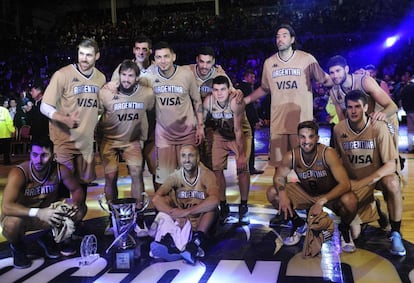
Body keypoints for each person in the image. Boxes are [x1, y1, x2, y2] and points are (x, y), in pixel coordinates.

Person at [244, 24, 332, 171]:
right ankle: (281, 195)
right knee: (280, 169)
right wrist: (246, 100)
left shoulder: (307, 59)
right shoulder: (269, 63)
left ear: (292, 39)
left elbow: (325, 79)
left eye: (284, 35)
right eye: (277, 36)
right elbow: (265, 88)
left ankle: (306, 195)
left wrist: (345, 79)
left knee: (306, 168)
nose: (280, 39)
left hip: (302, 124)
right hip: (279, 125)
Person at [333, 90, 405, 256]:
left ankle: (395, 233)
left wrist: (365, 182)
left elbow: (390, 165)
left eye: (357, 106)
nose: (353, 111)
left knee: (392, 183)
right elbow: (336, 160)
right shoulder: (338, 129)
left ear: (366, 107)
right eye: (350, 107)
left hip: (376, 177)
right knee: (356, 234)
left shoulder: (379, 127)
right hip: (354, 180)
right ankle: (375, 210)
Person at [267, 120, 358, 252]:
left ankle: (344, 228)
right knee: (272, 192)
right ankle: (298, 223)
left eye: (310, 136)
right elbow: (279, 177)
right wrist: (282, 194)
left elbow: (345, 184)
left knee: (350, 200)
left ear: (317, 138)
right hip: (306, 193)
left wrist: (321, 201)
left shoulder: (328, 153)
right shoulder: (291, 155)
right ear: (298, 139)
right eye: (302, 137)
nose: (306, 141)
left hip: (329, 195)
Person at [0, 138, 87, 268]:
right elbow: (6, 207)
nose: (38, 160)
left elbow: (77, 190)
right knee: (12, 223)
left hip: (48, 215)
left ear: (53, 155)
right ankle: (17, 246)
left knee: (80, 209)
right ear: (30, 154)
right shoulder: (19, 173)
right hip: (24, 217)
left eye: (44, 155)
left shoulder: (60, 169)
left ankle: (50, 237)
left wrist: (75, 202)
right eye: (34, 155)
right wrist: (38, 213)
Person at [41, 38, 106, 192]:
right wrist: (64, 119)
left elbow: (98, 109)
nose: (84, 58)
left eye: (89, 55)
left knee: (82, 189)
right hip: (64, 141)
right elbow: (44, 106)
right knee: (65, 187)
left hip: (86, 142)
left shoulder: (101, 78)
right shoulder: (62, 74)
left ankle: (77, 217)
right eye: (81, 54)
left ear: (97, 56)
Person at [98, 59, 154, 207]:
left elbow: (154, 112)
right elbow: (93, 114)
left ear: (137, 78)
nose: (126, 79)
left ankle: (138, 214)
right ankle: (113, 215)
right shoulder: (106, 92)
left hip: (131, 141)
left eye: (130, 76)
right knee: (110, 176)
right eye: (123, 75)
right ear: (119, 75)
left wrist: (146, 135)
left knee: (137, 173)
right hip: (109, 140)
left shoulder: (147, 94)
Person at [150, 144, 219, 264]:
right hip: (183, 221)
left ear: (197, 158)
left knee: (212, 209)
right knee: (165, 200)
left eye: (190, 156)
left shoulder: (207, 175)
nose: (187, 160)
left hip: (202, 223)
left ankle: (195, 243)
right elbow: (156, 199)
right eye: (183, 156)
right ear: (180, 159)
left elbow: (215, 200)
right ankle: (173, 242)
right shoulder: (175, 177)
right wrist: (174, 214)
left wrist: (187, 212)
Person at [152, 41, 204, 187]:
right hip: (164, 135)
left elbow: (197, 101)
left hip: (187, 133)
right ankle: (166, 209)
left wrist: (200, 126)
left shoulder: (186, 74)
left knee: (189, 176)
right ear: (154, 59)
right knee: (164, 179)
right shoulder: (149, 76)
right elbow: (127, 77)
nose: (163, 61)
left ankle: (191, 207)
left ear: (173, 57)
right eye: (159, 57)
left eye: (166, 56)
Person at [110, 35, 158, 190]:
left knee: (157, 171)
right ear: (133, 50)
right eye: (138, 49)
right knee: (135, 172)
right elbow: (112, 94)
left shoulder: (158, 69)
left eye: (144, 49)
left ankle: (162, 210)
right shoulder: (122, 69)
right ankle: (138, 209)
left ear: (150, 51)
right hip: (131, 130)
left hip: (153, 128)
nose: (141, 52)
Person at [203, 75, 252, 225]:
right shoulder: (208, 102)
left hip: (241, 134)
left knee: (242, 168)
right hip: (221, 134)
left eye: (223, 89)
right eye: (216, 90)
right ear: (212, 91)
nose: (219, 93)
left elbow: (238, 130)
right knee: (216, 169)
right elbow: (201, 122)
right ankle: (224, 206)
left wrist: (242, 156)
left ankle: (243, 206)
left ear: (229, 89)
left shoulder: (235, 102)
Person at [187, 46, 234, 170]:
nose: (204, 66)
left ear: (213, 62)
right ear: (197, 60)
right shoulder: (186, 71)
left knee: (212, 159)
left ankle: (213, 185)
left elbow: (233, 93)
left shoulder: (219, 74)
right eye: (201, 61)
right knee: (192, 159)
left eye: (208, 62)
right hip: (191, 122)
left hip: (211, 123)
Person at [237, 69, 264, 175]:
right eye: (252, 77)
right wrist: (256, 120)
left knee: (242, 145)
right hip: (247, 120)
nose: (254, 79)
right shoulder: (246, 87)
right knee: (249, 145)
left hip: (240, 120)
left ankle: (244, 167)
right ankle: (250, 168)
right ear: (247, 77)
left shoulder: (238, 86)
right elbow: (250, 106)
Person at [399, 75, 414, 153]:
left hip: (408, 111)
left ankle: (411, 147)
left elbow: (401, 100)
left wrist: (404, 109)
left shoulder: (405, 88)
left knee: (410, 130)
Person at [0, 96, 15, 165]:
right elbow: (9, 122)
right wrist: (13, 130)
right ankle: (6, 162)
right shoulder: (5, 111)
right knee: (6, 150)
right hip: (6, 134)